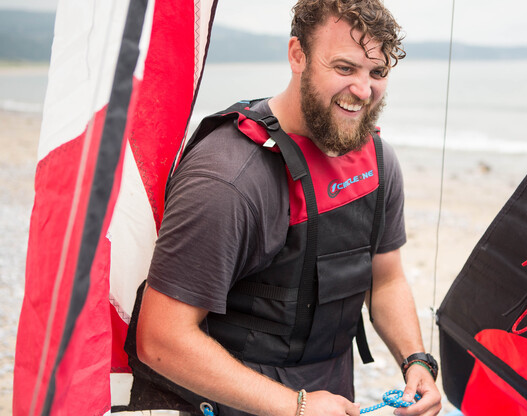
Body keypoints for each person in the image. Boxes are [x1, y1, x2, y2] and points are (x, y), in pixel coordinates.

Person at [129, 1, 442, 415]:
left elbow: (384, 281)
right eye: (345, 68)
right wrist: (294, 406)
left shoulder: (377, 162)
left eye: (377, 72)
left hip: (328, 399)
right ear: (298, 55)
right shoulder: (229, 179)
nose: (364, 90)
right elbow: (161, 339)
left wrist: (415, 360)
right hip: (223, 401)